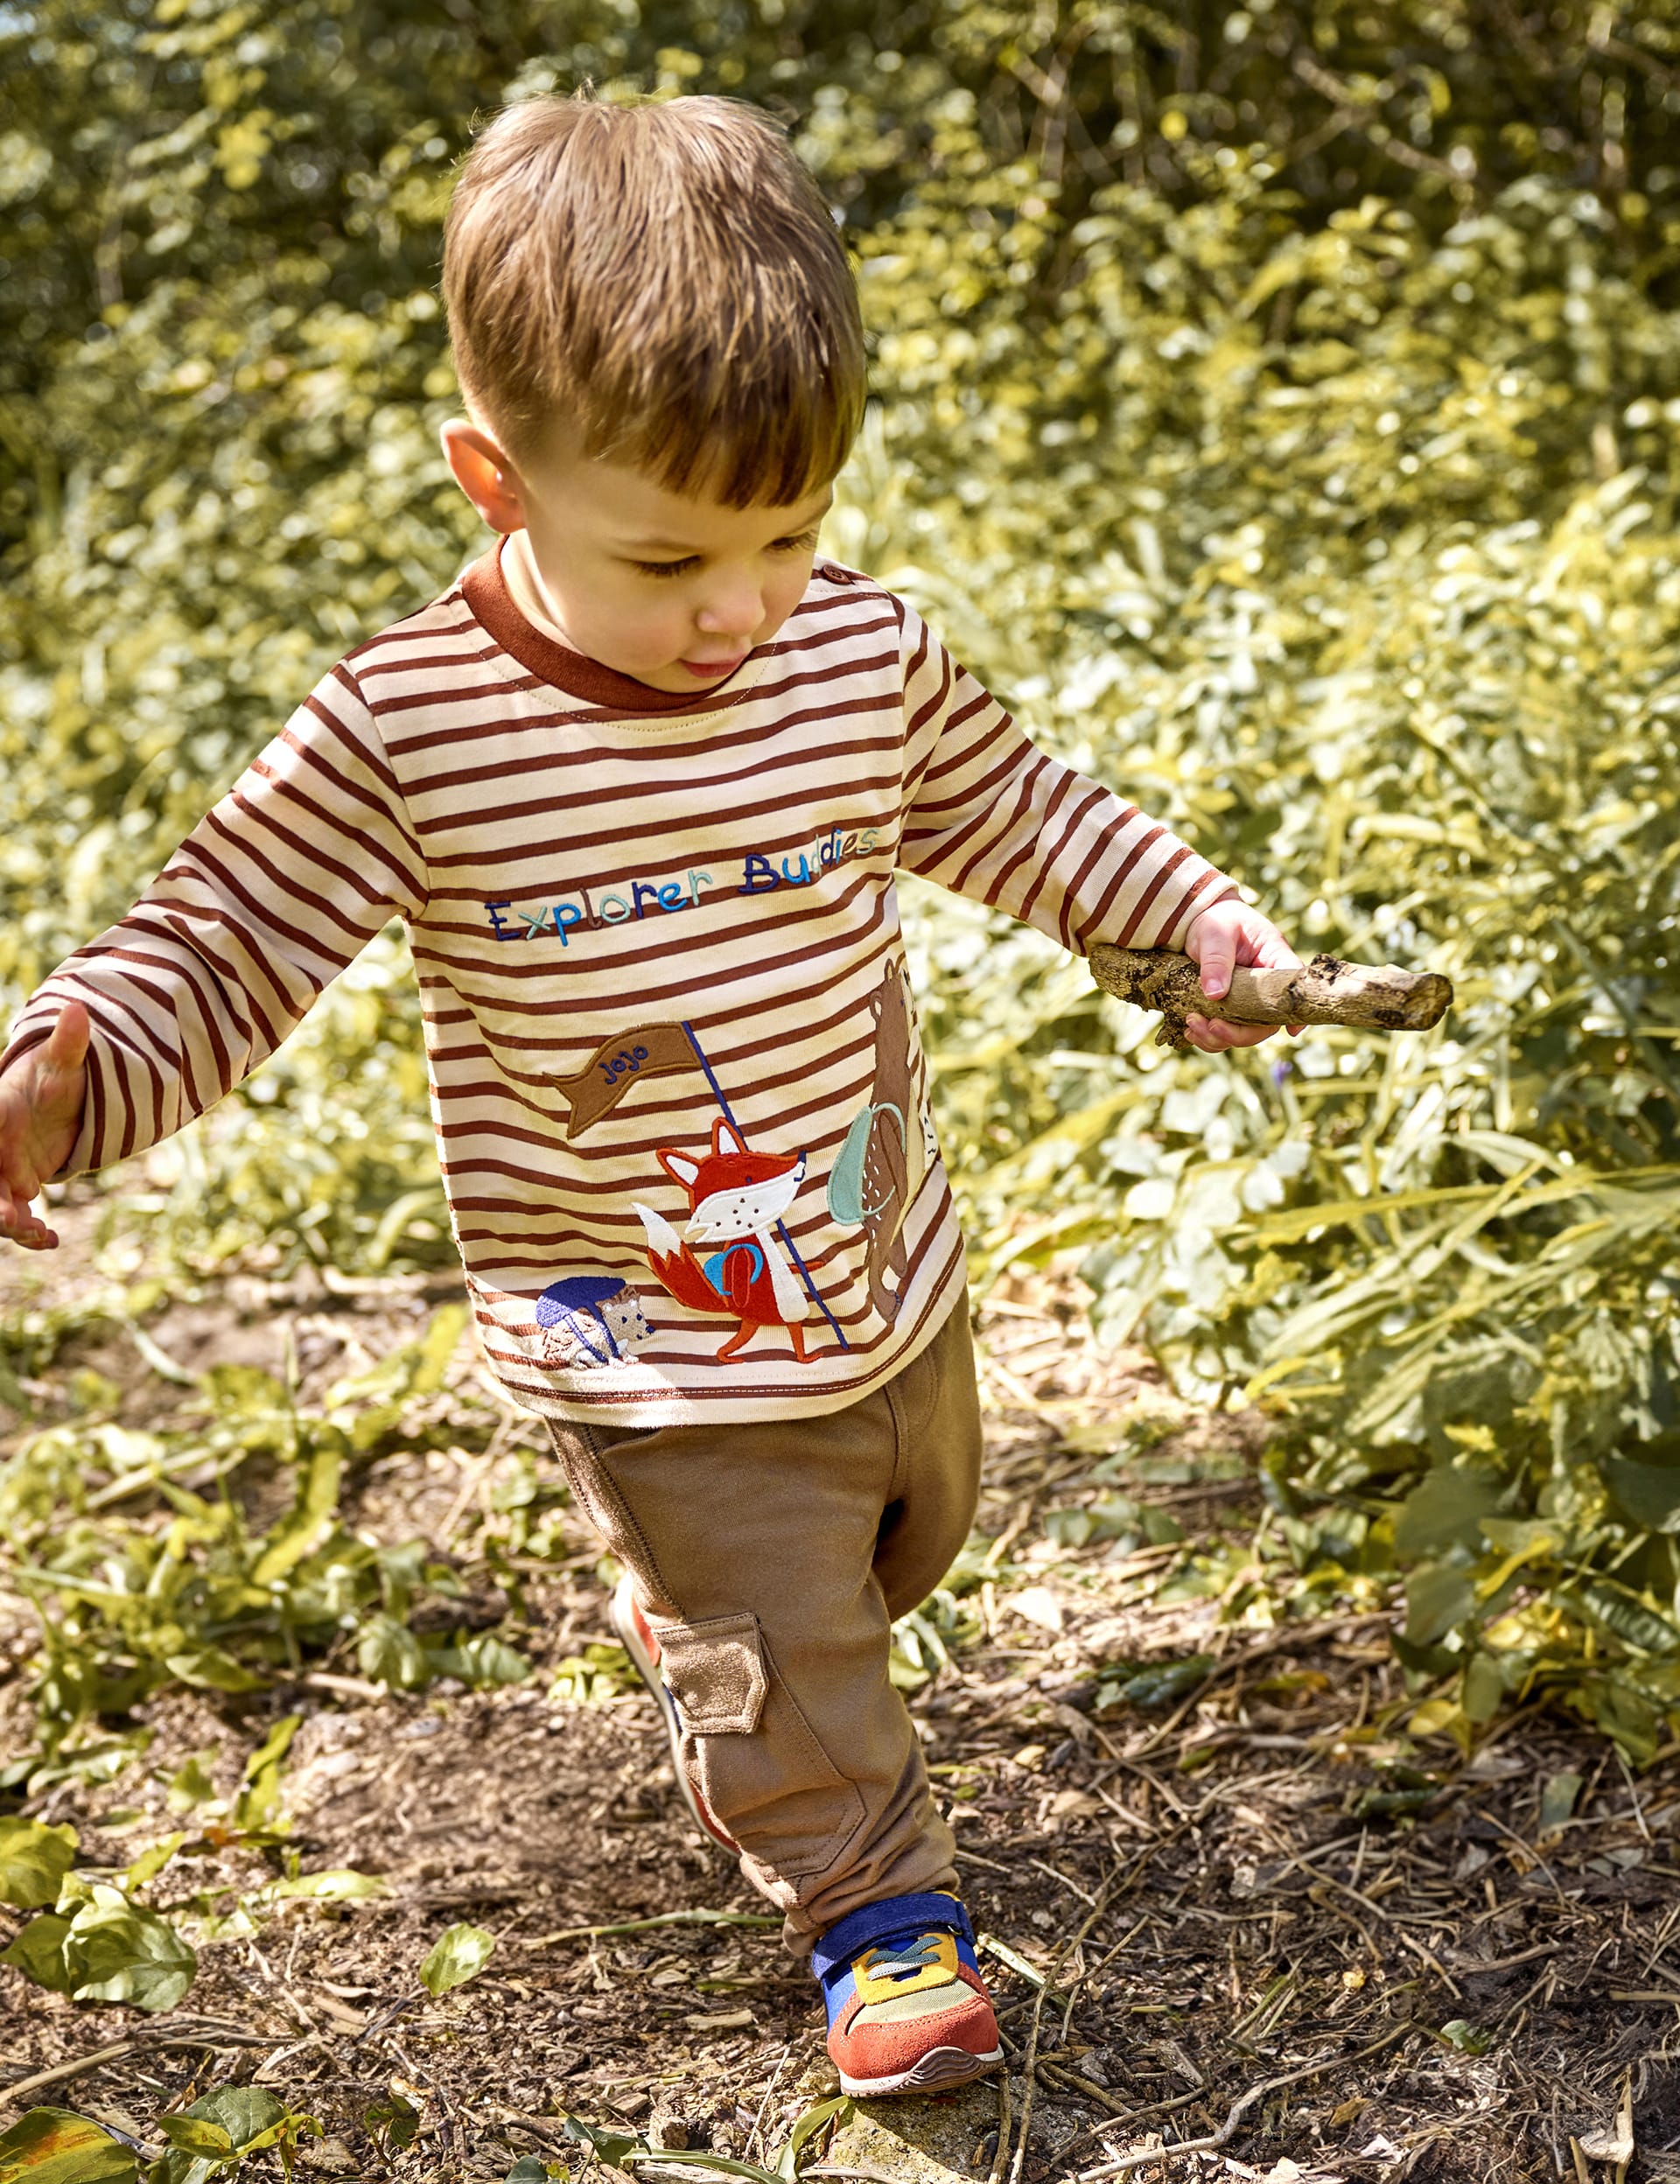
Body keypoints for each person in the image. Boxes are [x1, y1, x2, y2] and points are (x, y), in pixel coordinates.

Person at [0, 92, 1299, 2098]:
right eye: (674, 552)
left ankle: (745, 1652)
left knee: (897, 1539)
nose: (742, 606)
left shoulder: (847, 653)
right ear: (494, 481)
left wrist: (1189, 925)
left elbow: (1015, 809)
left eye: (791, 533)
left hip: (882, 1265)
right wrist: (63, 1085)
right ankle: (876, 1914)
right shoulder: (413, 728)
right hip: (649, 1338)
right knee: (783, 1637)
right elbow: (225, 936)